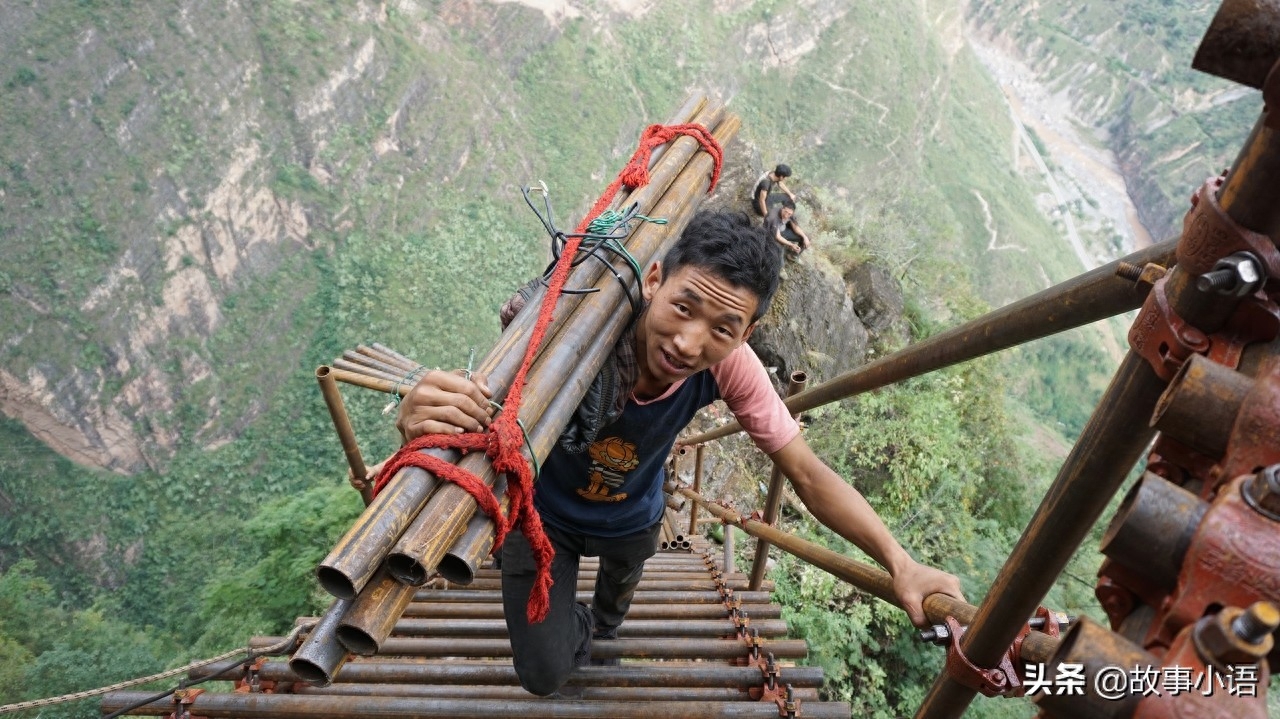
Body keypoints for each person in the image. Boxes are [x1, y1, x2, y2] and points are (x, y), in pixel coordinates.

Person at [395, 211, 963, 697]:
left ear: (748, 332)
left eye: (723, 327)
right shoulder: (573, 333)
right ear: (656, 280)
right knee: (543, 673)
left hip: (633, 516)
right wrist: (423, 423)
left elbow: (808, 475)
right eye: (684, 307)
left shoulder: (730, 366)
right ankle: (574, 631)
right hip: (542, 516)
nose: (689, 343)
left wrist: (900, 562)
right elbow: (482, 409)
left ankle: (600, 628)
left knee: (611, 617)